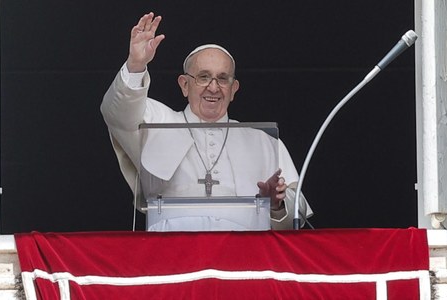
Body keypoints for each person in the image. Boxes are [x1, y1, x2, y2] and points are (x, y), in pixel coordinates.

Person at [101, 12, 312, 230]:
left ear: (233, 90)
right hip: (171, 254)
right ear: (184, 85)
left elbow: (298, 211)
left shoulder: (264, 142)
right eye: (203, 77)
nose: (213, 87)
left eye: (222, 78)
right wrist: (135, 65)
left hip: (244, 257)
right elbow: (118, 113)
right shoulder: (157, 122)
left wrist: (276, 204)